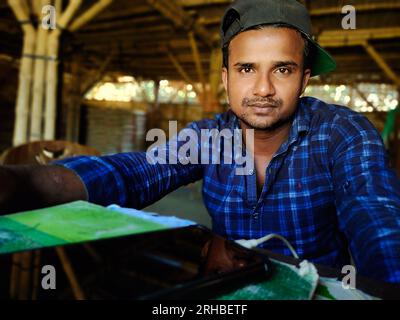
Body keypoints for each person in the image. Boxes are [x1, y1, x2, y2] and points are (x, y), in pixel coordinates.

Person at [1, 0, 399, 284]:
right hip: (223, 294)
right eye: (246, 69)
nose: (263, 88)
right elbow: (139, 172)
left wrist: (389, 280)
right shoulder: (210, 136)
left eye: (282, 68)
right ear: (226, 79)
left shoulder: (343, 133)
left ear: (305, 79)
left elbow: (376, 216)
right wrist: (26, 183)